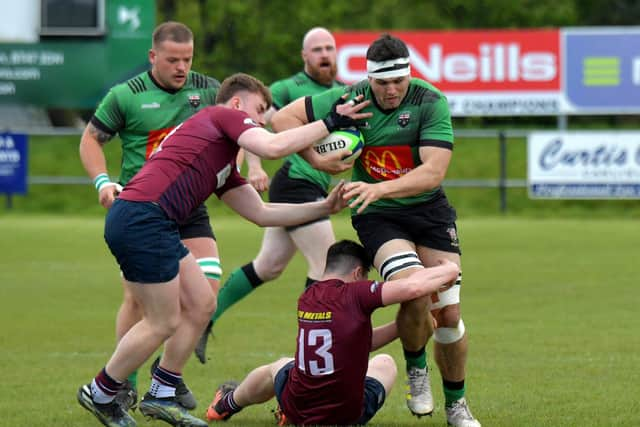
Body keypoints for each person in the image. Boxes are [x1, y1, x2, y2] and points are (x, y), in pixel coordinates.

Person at [76, 72, 370, 427]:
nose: (261, 120)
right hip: (142, 218)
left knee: (202, 303)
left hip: (153, 221)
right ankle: (101, 393)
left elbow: (261, 214)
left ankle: (162, 393)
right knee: (162, 320)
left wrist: (323, 208)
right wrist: (330, 122)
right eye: (259, 110)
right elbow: (273, 147)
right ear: (236, 103)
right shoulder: (222, 115)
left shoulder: (223, 158)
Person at [270, 34, 481, 427]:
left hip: (429, 212)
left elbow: (434, 172)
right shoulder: (352, 99)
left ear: (408, 75)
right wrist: (317, 158)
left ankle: (457, 406)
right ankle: (416, 369)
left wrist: (377, 185)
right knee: (413, 287)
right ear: (369, 79)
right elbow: (281, 119)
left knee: (448, 313)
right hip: (378, 215)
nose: (390, 90)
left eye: (397, 81)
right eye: (382, 83)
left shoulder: (430, 101)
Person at [79, 21, 221, 411]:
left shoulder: (209, 89)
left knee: (206, 294)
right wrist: (103, 182)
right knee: (141, 302)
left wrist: (251, 162)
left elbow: (243, 124)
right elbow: (91, 139)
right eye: (173, 59)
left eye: (187, 59)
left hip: (189, 206)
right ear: (153, 56)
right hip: (142, 206)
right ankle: (125, 383)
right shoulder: (126, 95)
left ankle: (166, 378)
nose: (181, 67)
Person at [194, 27, 347, 362]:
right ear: (304, 56)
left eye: (329, 48)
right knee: (325, 263)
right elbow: (252, 127)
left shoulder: (343, 93)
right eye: (317, 49)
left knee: (269, 266)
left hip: (311, 185)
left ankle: (202, 321)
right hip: (296, 183)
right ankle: (312, 351)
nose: (324, 54)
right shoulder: (286, 89)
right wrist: (256, 166)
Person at [205, 240, 460, 426]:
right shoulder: (355, 292)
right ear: (357, 273)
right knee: (385, 363)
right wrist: (449, 270)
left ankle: (224, 406)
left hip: (298, 405)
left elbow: (352, 342)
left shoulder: (307, 297)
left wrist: (399, 328)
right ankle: (285, 414)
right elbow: (413, 287)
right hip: (347, 415)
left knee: (280, 365)